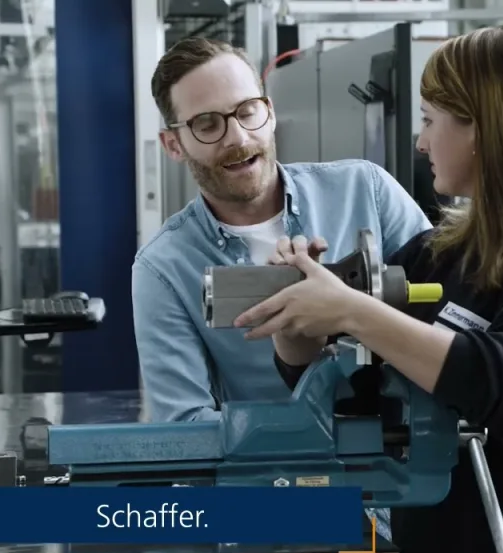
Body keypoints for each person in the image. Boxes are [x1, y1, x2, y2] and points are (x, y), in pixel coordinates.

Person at [234, 25, 503, 553]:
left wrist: (355, 310)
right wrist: (299, 325)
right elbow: (365, 395)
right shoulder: (438, 252)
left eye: (429, 120)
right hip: (442, 552)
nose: (421, 142)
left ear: (486, 128)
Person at [133, 38, 431, 423]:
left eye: (248, 111)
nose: (238, 138)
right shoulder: (164, 269)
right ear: (173, 145)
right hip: (269, 476)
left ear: (270, 113)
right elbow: (186, 425)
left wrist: (350, 313)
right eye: (207, 124)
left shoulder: (366, 190)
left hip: (405, 465)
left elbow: (450, 318)